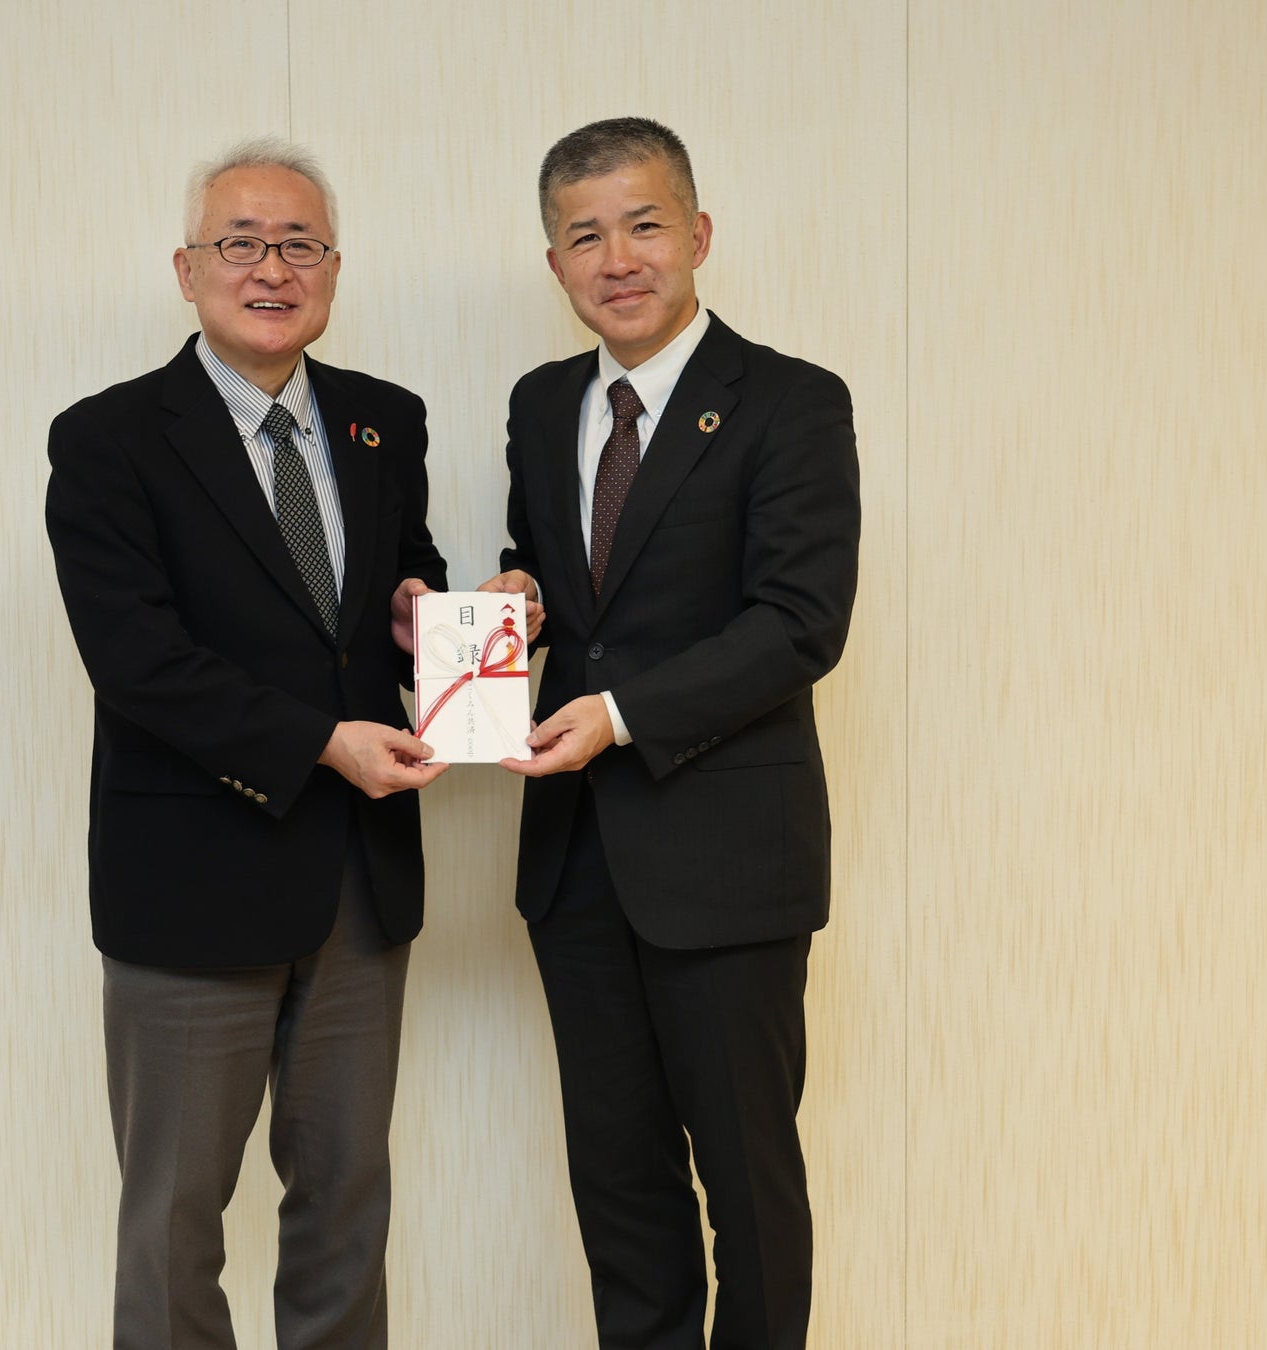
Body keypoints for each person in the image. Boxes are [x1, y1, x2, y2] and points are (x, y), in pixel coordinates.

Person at [45, 137, 448, 1350]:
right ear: (187, 269)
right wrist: (322, 742)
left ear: (334, 269)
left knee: (345, 1209)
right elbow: (137, 661)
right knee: (174, 1223)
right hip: (192, 884)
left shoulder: (383, 422)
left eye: (299, 245)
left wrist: (426, 615)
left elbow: (393, 583)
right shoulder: (109, 439)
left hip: (358, 884)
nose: (271, 269)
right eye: (240, 243)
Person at [481, 117, 860, 1349]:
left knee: (747, 1190)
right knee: (620, 1191)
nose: (617, 259)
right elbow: (561, 575)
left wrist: (619, 716)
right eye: (584, 235)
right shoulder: (542, 403)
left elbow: (798, 622)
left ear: (696, 234)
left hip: (725, 863)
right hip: (575, 865)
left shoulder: (791, 402)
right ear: (553, 263)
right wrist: (519, 597)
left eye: (642, 225)